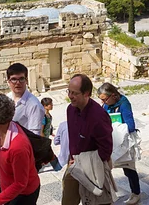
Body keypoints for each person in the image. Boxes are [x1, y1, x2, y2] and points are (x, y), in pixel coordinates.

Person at [0, 94, 40, 205]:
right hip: (8, 188)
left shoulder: (18, 147)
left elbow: (20, 184)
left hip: (23, 196)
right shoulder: (2, 130)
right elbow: (3, 155)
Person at [63, 74, 113, 205]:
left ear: (86, 94)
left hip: (93, 166)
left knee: (97, 201)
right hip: (74, 163)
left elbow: (106, 148)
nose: (70, 96)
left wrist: (88, 160)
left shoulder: (98, 116)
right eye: (69, 91)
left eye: (74, 93)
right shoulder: (70, 110)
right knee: (67, 201)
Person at [97, 83, 141, 205]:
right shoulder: (106, 104)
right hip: (110, 142)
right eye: (101, 100)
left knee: (129, 170)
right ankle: (108, 196)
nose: (103, 102)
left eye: (105, 99)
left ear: (114, 95)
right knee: (106, 170)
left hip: (123, 143)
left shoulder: (124, 104)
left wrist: (114, 126)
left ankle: (136, 193)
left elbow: (131, 126)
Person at [6, 63, 45, 135]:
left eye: (21, 79)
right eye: (14, 79)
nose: (18, 83)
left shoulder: (34, 105)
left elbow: (34, 135)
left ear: (26, 81)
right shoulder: (6, 99)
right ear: (8, 81)